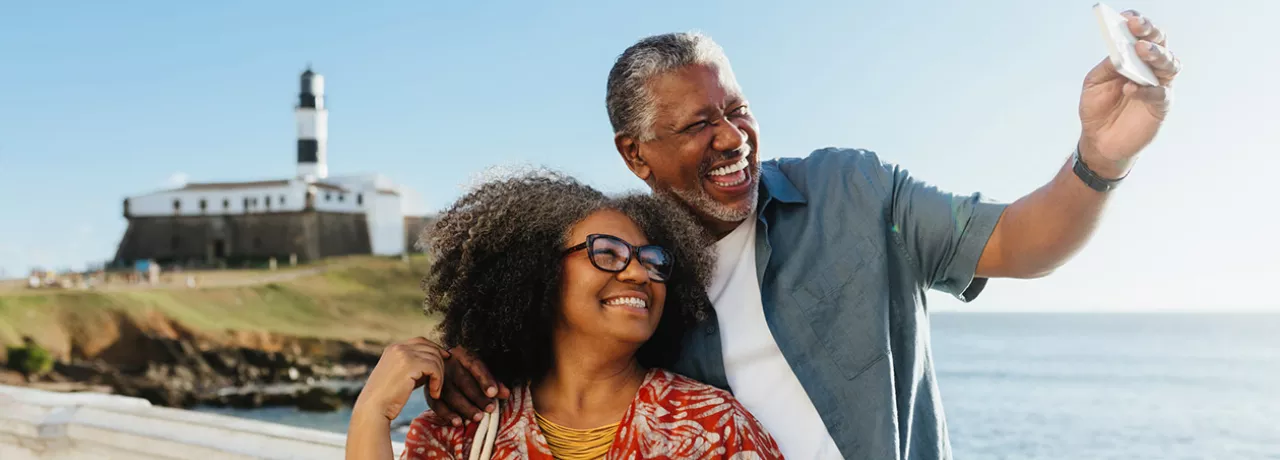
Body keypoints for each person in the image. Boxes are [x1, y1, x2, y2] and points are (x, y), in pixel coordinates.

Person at [427, 9, 1182, 459]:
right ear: (636, 156)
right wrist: (462, 367)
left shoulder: (850, 190)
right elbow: (549, 363)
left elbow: (1020, 242)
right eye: (698, 124)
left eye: (738, 108)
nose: (733, 137)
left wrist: (1099, 159)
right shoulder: (636, 276)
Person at [345, 172, 784, 459]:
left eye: (652, 260)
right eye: (607, 253)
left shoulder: (713, 426)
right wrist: (371, 413)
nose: (637, 272)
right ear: (539, 272)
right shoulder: (462, 434)